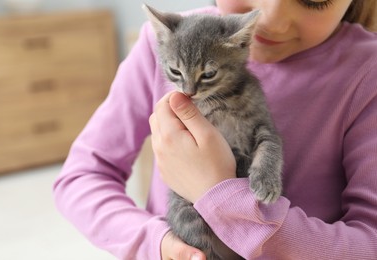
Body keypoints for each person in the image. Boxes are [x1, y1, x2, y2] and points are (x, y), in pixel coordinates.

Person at [53, 0, 377, 259]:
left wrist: (220, 193)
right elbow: (80, 177)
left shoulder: (367, 73)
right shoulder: (163, 43)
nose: (270, 19)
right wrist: (158, 245)